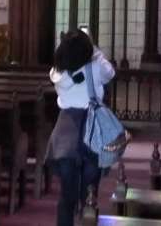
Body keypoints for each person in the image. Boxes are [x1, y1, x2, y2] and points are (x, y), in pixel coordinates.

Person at [46, 29, 115, 226]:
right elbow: (110, 72)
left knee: (66, 197)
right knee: (89, 196)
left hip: (65, 134)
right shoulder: (96, 68)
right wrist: (96, 51)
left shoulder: (57, 73)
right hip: (92, 133)